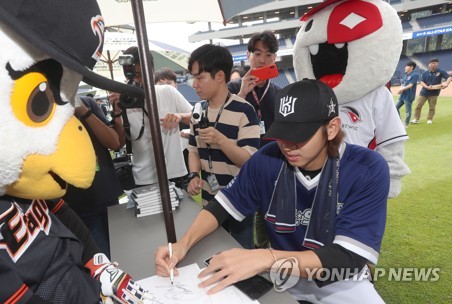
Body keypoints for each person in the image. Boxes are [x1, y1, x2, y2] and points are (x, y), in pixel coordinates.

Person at [156, 79, 390, 303]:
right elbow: (221, 206)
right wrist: (182, 244)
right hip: (280, 273)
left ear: (331, 128)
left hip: (338, 281)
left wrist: (265, 257)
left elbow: (347, 258)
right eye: (282, 134)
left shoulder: (367, 168)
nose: (287, 145)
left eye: (299, 136)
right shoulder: (267, 158)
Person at [185, 44, 260, 249]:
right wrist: (193, 175)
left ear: (219, 76)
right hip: (210, 198)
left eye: (200, 78)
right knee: (213, 252)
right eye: (193, 77)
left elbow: (249, 160)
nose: (194, 84)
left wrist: (221, 141)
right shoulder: (198, 109)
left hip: (240, 200)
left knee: (240, 253)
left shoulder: (244, 110)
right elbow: (193, 149)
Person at [228, 30, 282, 249]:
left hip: (273, 164)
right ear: (248, 55)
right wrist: (242, 94)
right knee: (245, 217)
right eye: (257, 53)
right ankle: (248, 257)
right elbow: (225, 123)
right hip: (243, 164)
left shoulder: (279, 91)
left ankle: (267, 252)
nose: (262, 59)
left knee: (272, 215)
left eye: (269, 55)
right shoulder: (232, 89)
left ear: (274, 58)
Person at [109, 46, 193, 188]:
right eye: (135, 75)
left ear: (152, 70)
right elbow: (120, 143)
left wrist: (178, 116)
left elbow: (195, 116)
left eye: (144, 74)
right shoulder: (125, 99)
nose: (140, 80)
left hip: (175, 172)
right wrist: (117, 111)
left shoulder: (167, 91)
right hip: (143, 177)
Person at [63, 96, 123, 258]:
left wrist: (83, 111)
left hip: (107, 193)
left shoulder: (86, 103)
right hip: (79, 203)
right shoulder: (45, 109)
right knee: (102, 258)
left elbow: (115, 142)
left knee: (123, 250)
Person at [411, 58, 452, 124]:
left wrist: (446, 84)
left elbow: (449, 77)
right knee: (418, 105)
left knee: (432, 107)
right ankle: (416, 119)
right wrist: (427, 87)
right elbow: (421, 82)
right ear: (429, 65)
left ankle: (429, 119)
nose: (433, 65)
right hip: (424, 92)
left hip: (434, 93)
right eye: (431, 63)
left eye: (435, 63)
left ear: (437, 64)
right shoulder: (425, 73)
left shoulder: (440, 71)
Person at [395, 61, 419, 127]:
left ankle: (406, 124)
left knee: (407, 110)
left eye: (406, 66)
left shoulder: (414, 75)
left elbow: (410, 85)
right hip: (402, 95)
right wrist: (400, 90)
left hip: (409, 96)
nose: (405, 67)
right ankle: (399, 121)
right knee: (395, 108)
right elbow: (403, 84)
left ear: (411, 67)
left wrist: (401, 89)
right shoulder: (406, 75)